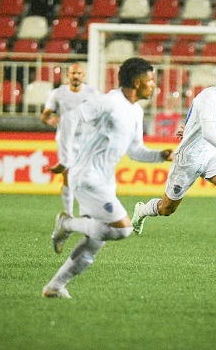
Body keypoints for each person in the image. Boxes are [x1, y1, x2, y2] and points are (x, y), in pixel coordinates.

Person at [42, 57, 173, 299]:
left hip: (104, 180)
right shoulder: (109, 101)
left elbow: (135, 151)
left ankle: (55, 286)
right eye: (150, 80)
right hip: (86, 175)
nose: (154, 85)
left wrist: (160, 156)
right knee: (123, 229)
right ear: (137, 82)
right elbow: (70, 119)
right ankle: (66, 224)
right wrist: (65, 160)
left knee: (94, 242)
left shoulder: (136, 111)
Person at [131, 62, 216, 261]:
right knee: (166, 209)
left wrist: (188, 129)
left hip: (209, 154)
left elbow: (198, 119)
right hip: (188, 159)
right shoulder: (207, 98)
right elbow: (209, 133)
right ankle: (141, 211)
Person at [40, 62, 98, 217]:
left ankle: (87, 212)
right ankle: (68, 214)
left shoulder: (92, 93)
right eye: (73, 73)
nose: (76, 76)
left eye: (79, 74)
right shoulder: (58, 93)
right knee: (68, 174)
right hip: (66, 139)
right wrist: (49, 120)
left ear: (83, 75)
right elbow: (44, 115)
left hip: (86, 139)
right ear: (68, 75)